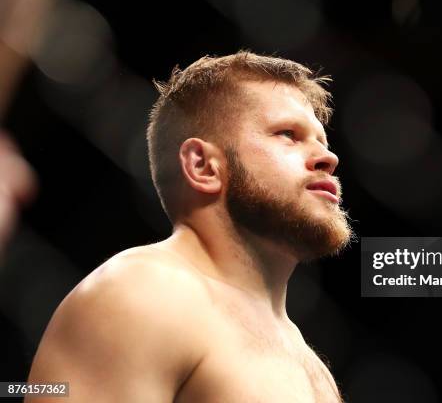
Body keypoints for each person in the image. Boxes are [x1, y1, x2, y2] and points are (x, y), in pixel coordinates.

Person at [26, 51, 354, 402]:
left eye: (323, 142)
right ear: (203, 166)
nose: (328, 158)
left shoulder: (310, 364)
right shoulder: (143, 293)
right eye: (288, 134)